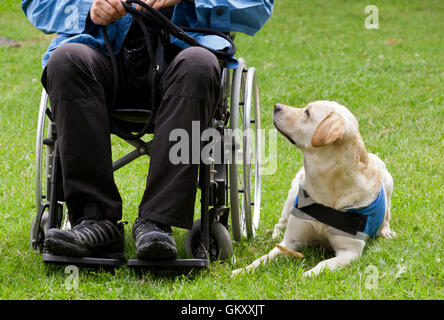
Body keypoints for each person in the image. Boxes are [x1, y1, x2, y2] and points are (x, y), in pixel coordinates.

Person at [22, 0, 273, 261]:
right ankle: (95, 220)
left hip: (183, 52)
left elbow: (258, 6)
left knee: (199, 64)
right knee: (65, 61)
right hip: (102, 53)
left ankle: (156, 222)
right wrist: (88, 8)